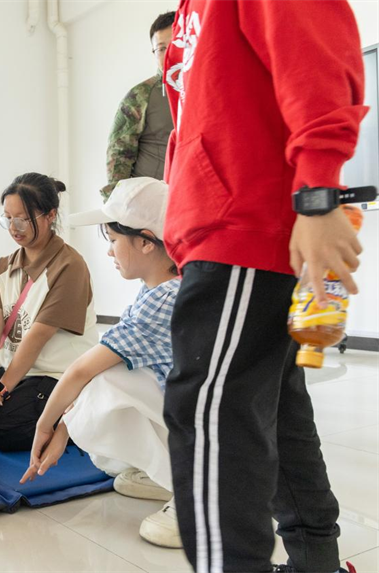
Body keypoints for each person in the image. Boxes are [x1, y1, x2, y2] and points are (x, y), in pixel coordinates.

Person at [161, 1, 366, 572]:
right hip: (220, 224)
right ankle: (315, 561)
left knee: (208, 415)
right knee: (275, 411)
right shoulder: (188, 12)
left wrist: (318, 191)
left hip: (245, 220)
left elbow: (315, 57)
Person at [21, 177, 181, 549]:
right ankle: (168, 473)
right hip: (190, 410)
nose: (109, 252)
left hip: (205, 424)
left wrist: (47, 427)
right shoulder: (162, 288)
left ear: (145, 240)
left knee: (103, 383)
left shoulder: (163, 300)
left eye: (112, 241)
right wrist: (64, 427)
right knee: (106, 376)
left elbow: (82, 370)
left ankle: (197, 495)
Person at [0, 173, 98, 451]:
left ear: (50, 215)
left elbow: (37, 338)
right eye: (7, 218)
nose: (14, 227)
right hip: (15, 371)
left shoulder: (69, 266)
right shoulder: (5, 266)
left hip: (55, 376)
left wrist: (0, 390)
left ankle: (77, 419)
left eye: (23, 218)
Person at [99, 11, 175, 201]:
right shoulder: (141, 95)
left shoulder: (207, 90)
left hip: (199, 203)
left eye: (175, 45)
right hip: (152, 206)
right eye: (161, 48)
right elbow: (119, 156)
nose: (169, 54)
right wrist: (116, 209)